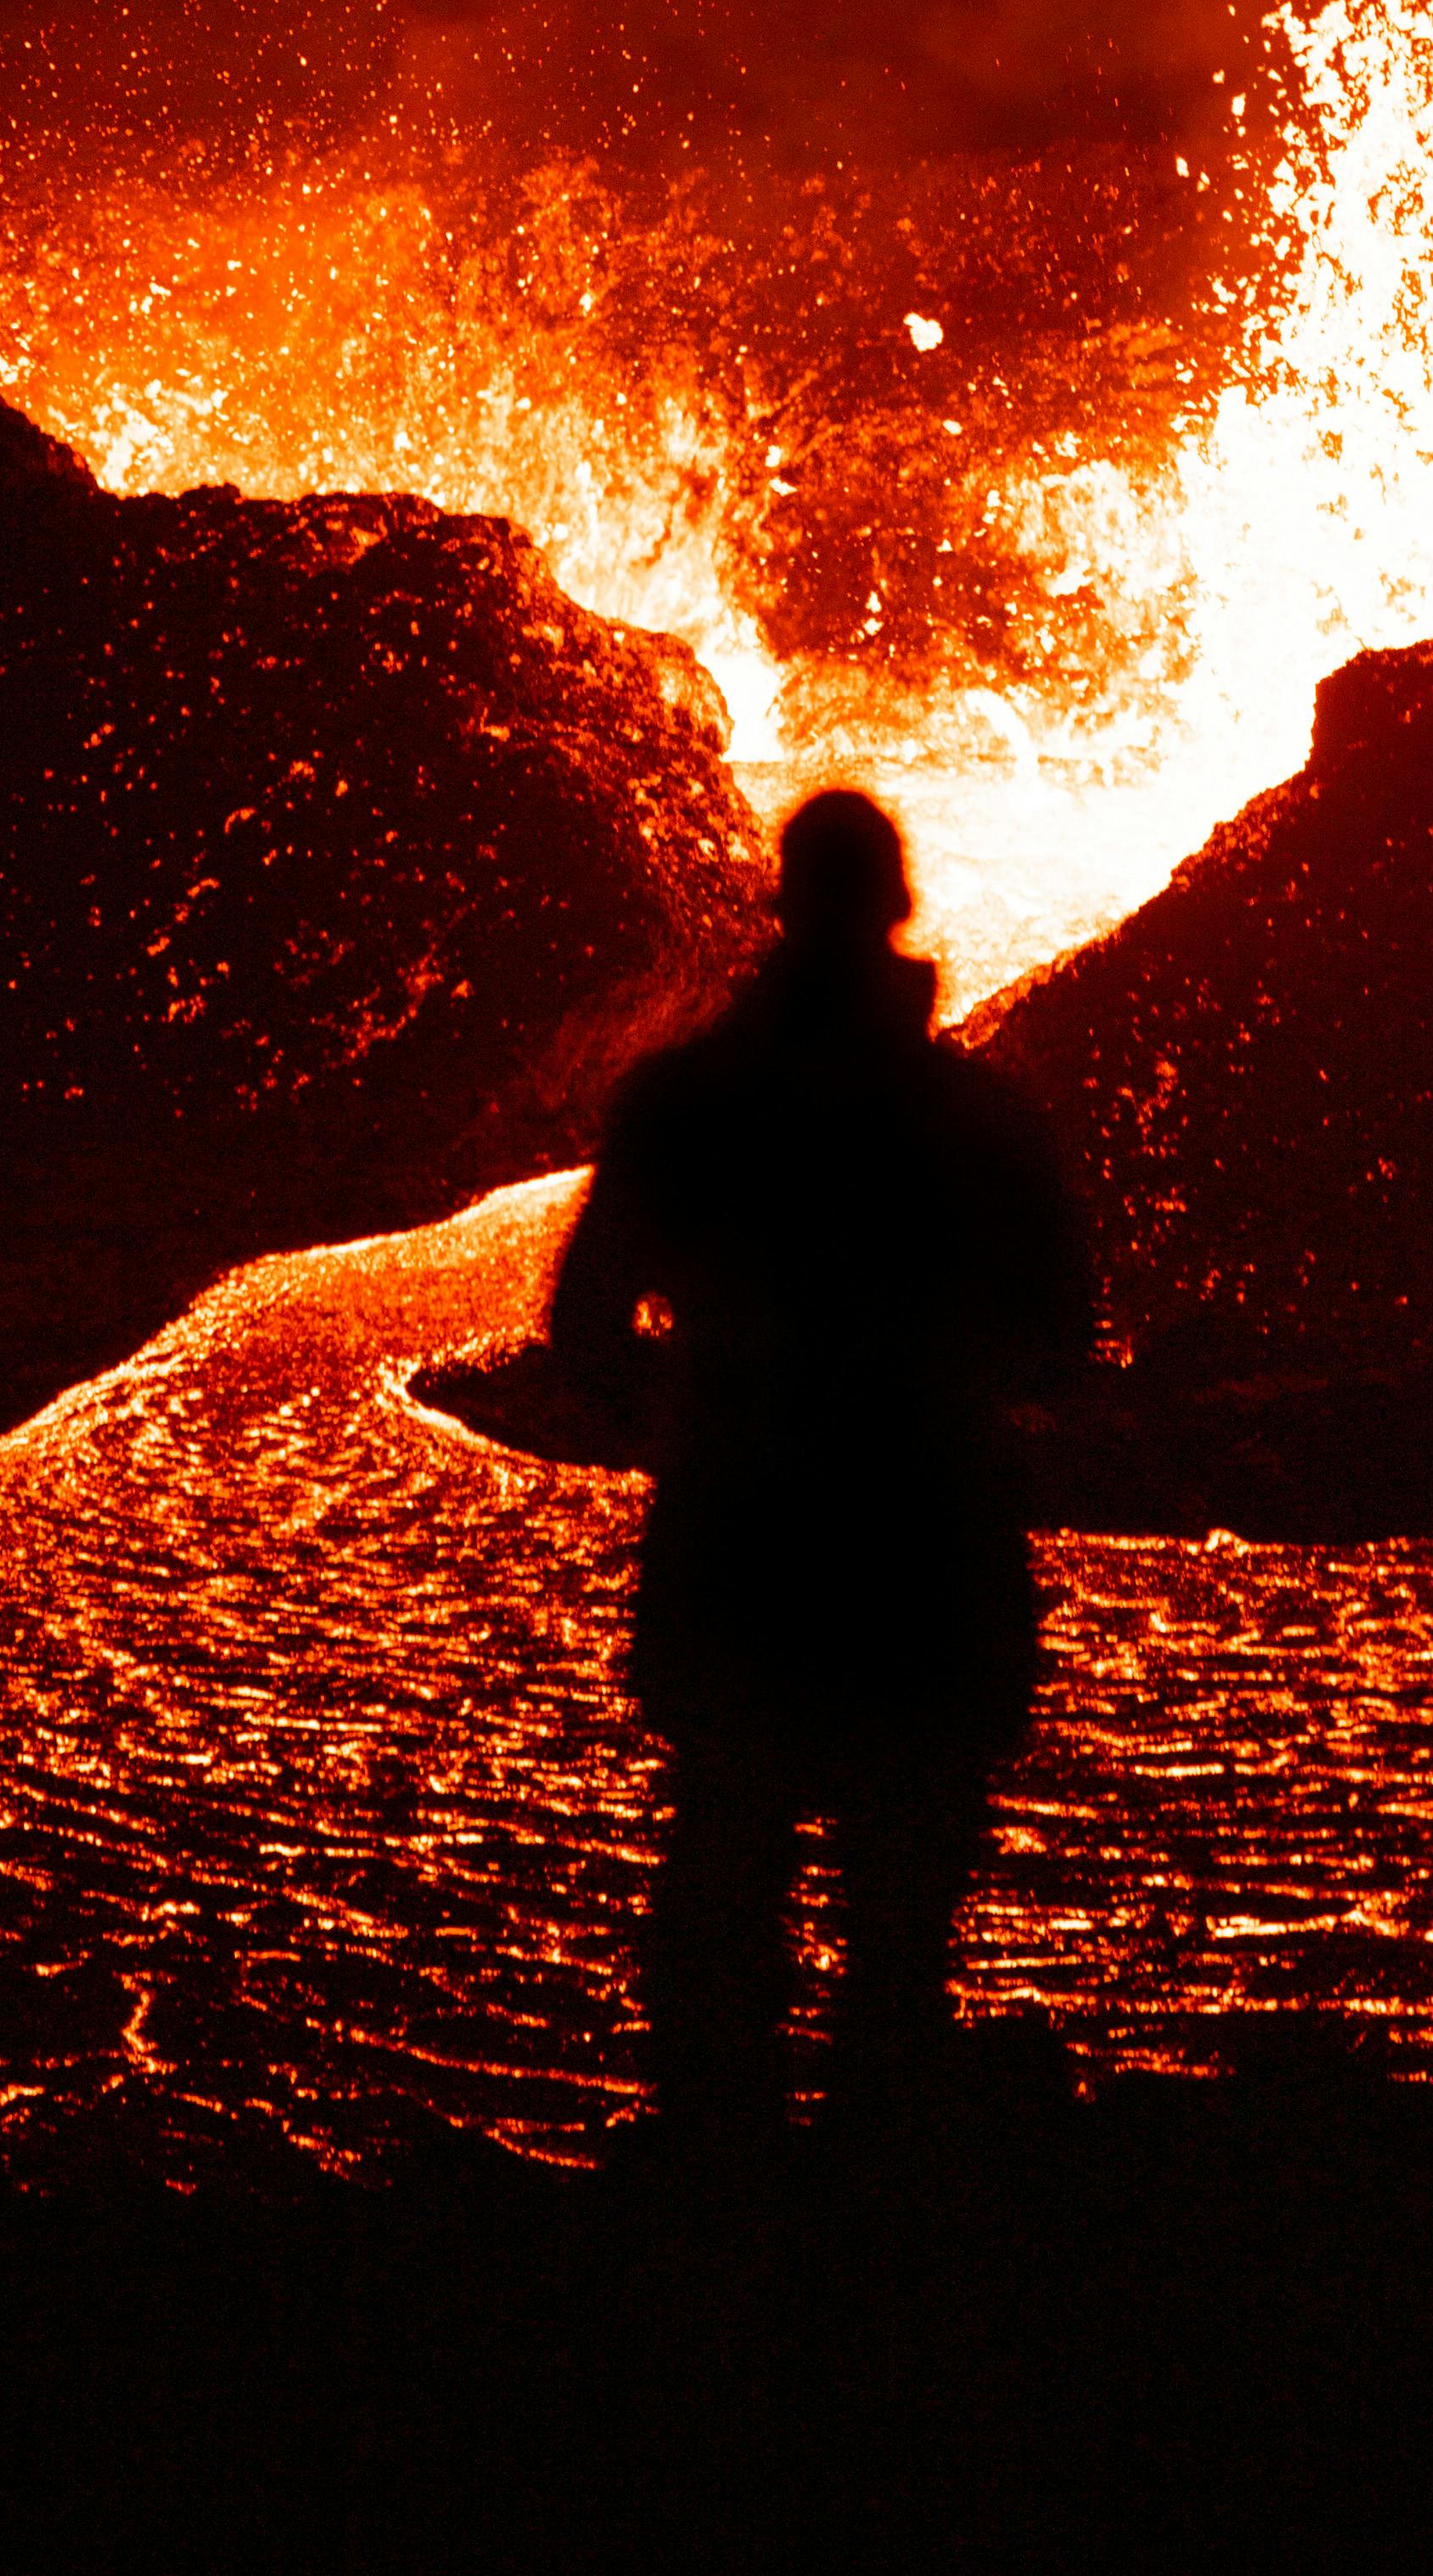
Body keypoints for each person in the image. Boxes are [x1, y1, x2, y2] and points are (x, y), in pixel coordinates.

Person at [549, 788, 1092, 2133]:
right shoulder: (975, 1117)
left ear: (780, 907)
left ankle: (713, 2230)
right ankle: (882, 2231)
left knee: (724, 1903)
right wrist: (942, 1395)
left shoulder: (687, 1105)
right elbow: (1065, 1331)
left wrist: (698, 1419)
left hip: (742, 1543)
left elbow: (585, 1324)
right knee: (901, 1932)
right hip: (925, 1547)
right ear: (897, 907)